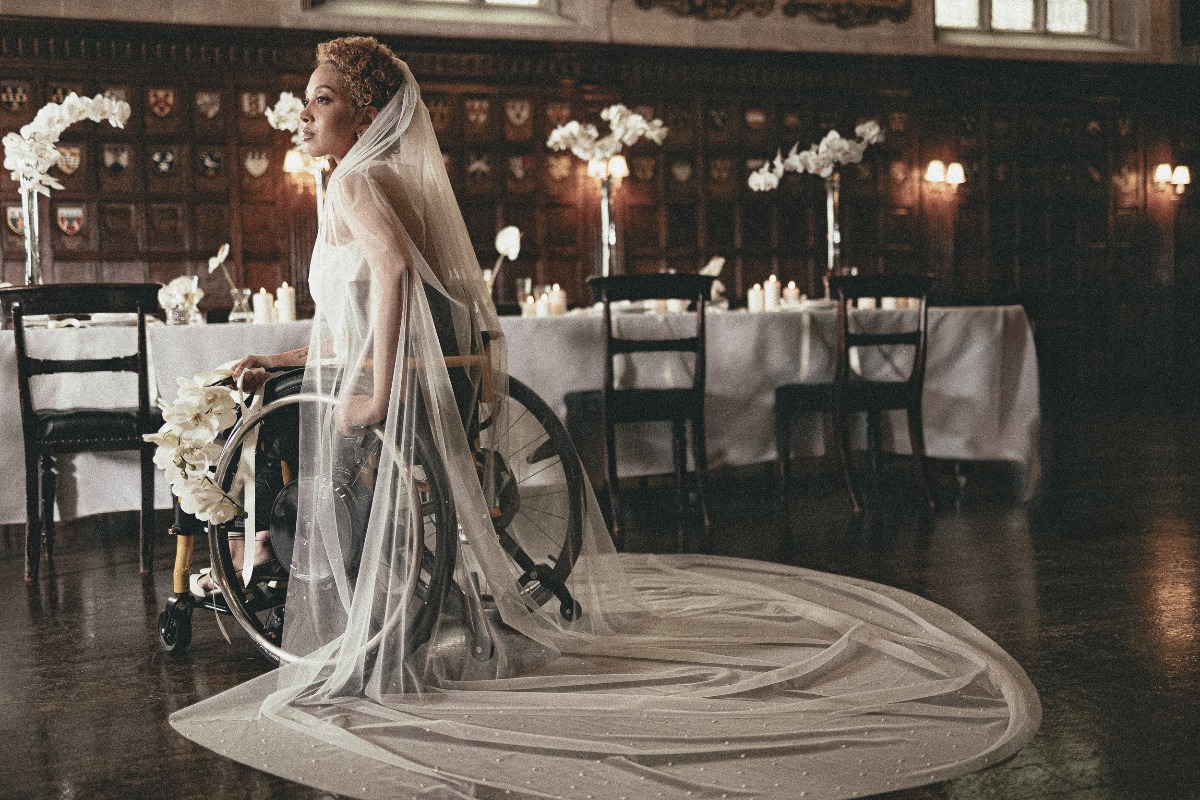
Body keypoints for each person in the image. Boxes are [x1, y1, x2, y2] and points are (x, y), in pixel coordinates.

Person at [171, 36, 1040, 800]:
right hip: (413, 361)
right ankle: (338, 597)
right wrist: (288, 361)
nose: (306, 110)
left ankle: (287, 585)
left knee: (285, 438)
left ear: (361, 114)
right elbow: (357, 320)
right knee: (263, 394)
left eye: (322, 97)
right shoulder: (377, 177)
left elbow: (395, 283)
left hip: (399, 376)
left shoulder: (358, 181)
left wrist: (377, 394)